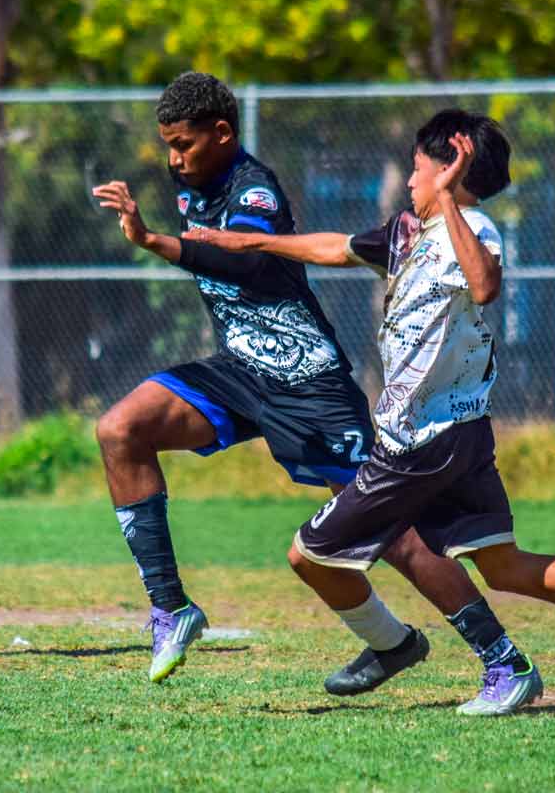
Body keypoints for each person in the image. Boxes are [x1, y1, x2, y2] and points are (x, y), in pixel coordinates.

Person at [184, 109, 555, 714]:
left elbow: (484, 286)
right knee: (504, 565)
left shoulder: (473, 228)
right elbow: (334, 248)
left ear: (448, 172)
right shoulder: (408, 232)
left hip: (420, 442)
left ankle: (430, 652)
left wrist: (453, 199)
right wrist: (248, 240)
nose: (409, 179)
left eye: (418, 167)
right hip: (457, 435)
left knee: (310, 555)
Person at [91, 72, 508, 689]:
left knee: (397, 537)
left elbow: (254, 263)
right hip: (239, 370)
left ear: (223, 133)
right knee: (120, 429)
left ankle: (498, 656)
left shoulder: (253, 187)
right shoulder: (189, 180)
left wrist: (154, 241)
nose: (174, 159)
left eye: (184, 144)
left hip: (307, 384)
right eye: (168, 146)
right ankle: (171, 608)